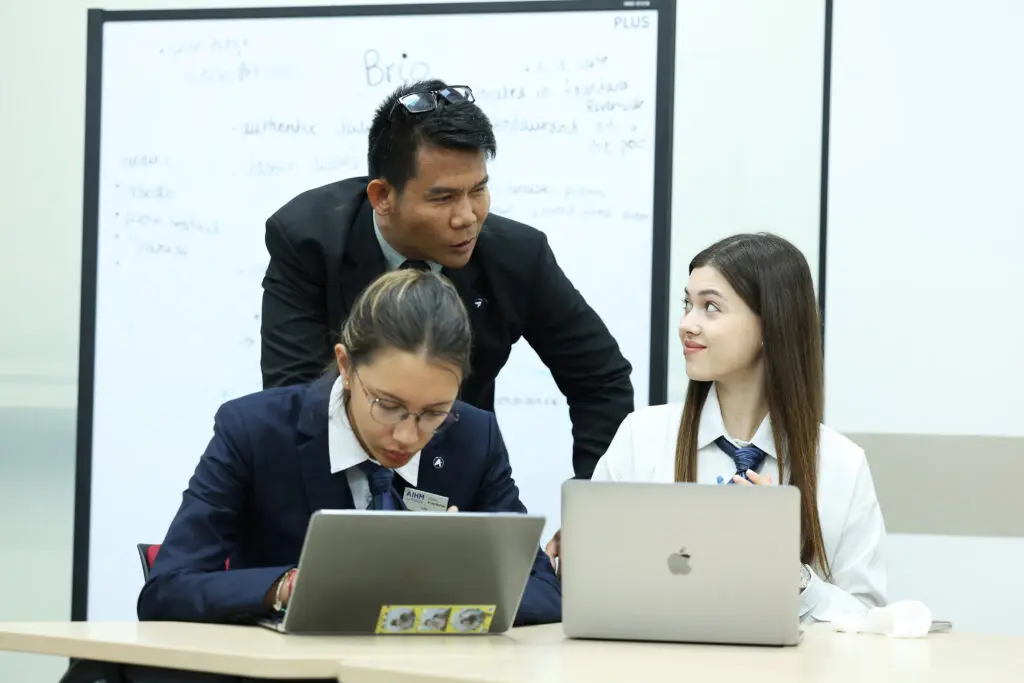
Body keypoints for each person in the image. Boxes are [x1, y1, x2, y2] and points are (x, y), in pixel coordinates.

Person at [132, 269, 560, 682]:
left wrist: (455, 584)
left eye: (434, 414)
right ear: (346, 366)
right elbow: (168, 589)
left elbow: (546, 594)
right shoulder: (255, 431)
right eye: (388, 406)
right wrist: (285, 587)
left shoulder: (474, 438)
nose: (408, 435)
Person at [259, 78, 633, 479]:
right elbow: (292, 396)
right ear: (382, 197)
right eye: (443, 198)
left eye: (478, 190)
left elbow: (600, 380)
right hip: (333, 474)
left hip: (455, 478)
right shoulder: (309, 240)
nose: (467, 216)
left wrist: (590, 506)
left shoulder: (517, 257)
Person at [545, 233, 887, 623]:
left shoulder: (841, 465)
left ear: (770, 324)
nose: (687, 324)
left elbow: (869, 624)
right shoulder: (642, 438)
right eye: (687, 304)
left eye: (710, 307)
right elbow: (587, 591)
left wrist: (791, 574)